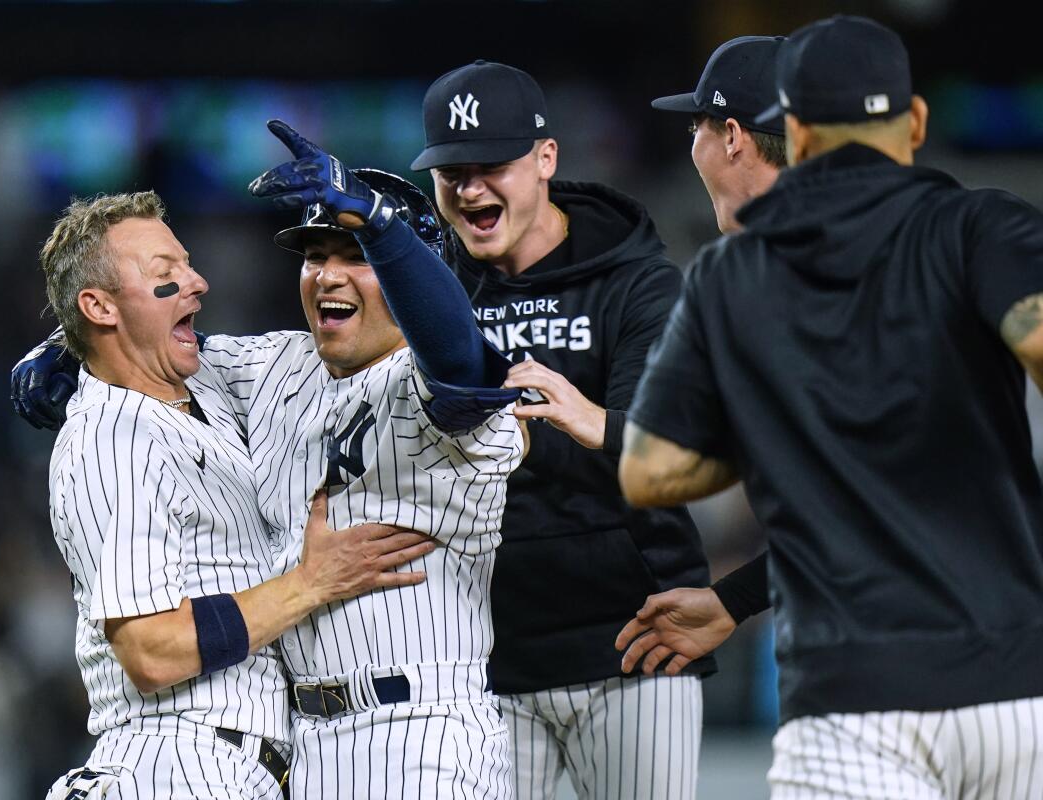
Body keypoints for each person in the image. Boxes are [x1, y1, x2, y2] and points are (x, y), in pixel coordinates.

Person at [13, 123, 525, 799]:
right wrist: (69, 342)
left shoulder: (446, 388)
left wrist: (384, 228)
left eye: (357, 253)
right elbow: (144, 353)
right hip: (296, 748)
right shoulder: (273, 366)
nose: (329, 274)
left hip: (421, 728)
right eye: (316, 253)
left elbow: (458, 356)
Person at [619, 14, 1043, 798]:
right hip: (1017, 694)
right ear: (913, 122)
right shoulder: (981, 227)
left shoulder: (737, 276)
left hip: (855, 700)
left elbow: (652, 471)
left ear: (796, 132)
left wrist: (800, 426)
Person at [411, 59, 710, 799]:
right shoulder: (428, 293)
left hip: (634, 648)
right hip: (482, 658)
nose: (470, 187)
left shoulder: (638, 283)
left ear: (546, 159)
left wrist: (590, 419)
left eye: (491, 166)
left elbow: (676, 452)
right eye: (452, 171)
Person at [618, 35, 788, 677]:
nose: (693, 145)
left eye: (697, 126)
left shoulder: (772, 282)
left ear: (734, 137)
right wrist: (735, 599)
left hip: (876, 674)